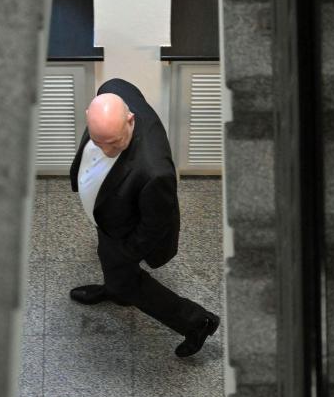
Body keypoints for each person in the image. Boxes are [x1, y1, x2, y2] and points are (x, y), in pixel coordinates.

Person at [68, 78, 220, 357]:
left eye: (114, 143)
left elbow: (155, 225)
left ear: (130, 119)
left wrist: (126, 253)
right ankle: (115, 289)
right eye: (98, 141)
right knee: (110, 263)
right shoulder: (114, 90)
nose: (106, 151)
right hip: (110, 215)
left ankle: (197, 321)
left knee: (127, 279)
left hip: (126, 232)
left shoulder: (154, 171)